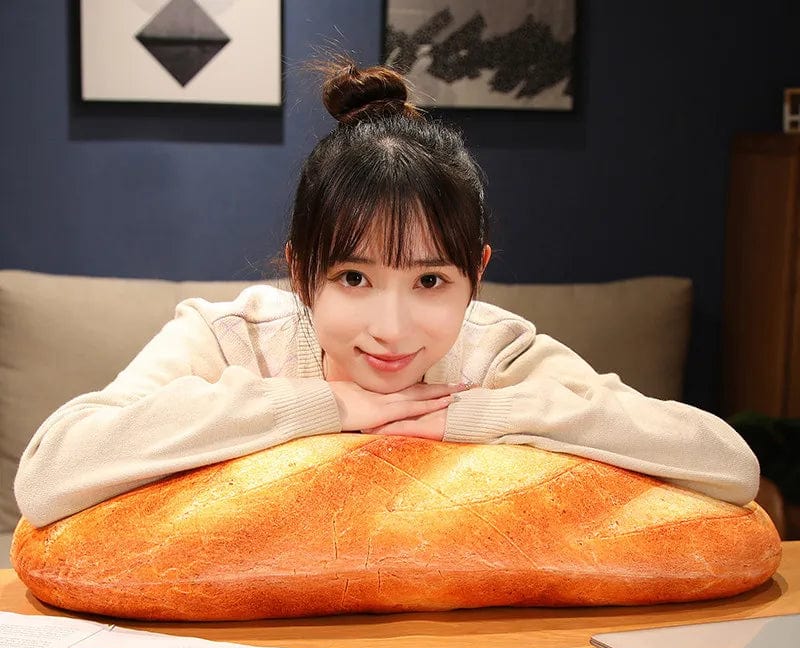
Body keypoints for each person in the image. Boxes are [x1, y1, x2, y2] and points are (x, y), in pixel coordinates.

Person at [14, 62, 759, 529]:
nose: (392, 329)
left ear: (476, 276)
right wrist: (323, 407)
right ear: (301, 271)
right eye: (353, 278)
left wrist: (485, 415)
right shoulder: (226, 338)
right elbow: (46, 477)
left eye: (431, 281)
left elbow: (729, 465)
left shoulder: (495, 353)